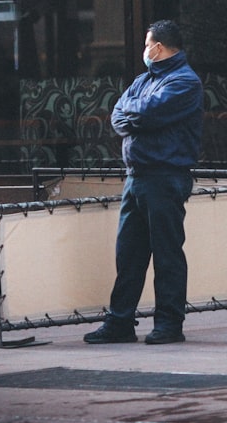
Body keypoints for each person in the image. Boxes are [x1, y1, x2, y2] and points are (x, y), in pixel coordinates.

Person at [84, 20, 203, 345]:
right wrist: (131, 117)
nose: (145, 51)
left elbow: (145, 115)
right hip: (137, 177)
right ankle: (120, 322)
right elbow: (119, 114)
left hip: (165, 176)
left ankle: (169, 324)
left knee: (166, 254)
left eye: (148, 44)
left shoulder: (184, 82)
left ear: (159, 47)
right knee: (129, 254)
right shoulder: (144, 80)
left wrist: (132, 117)